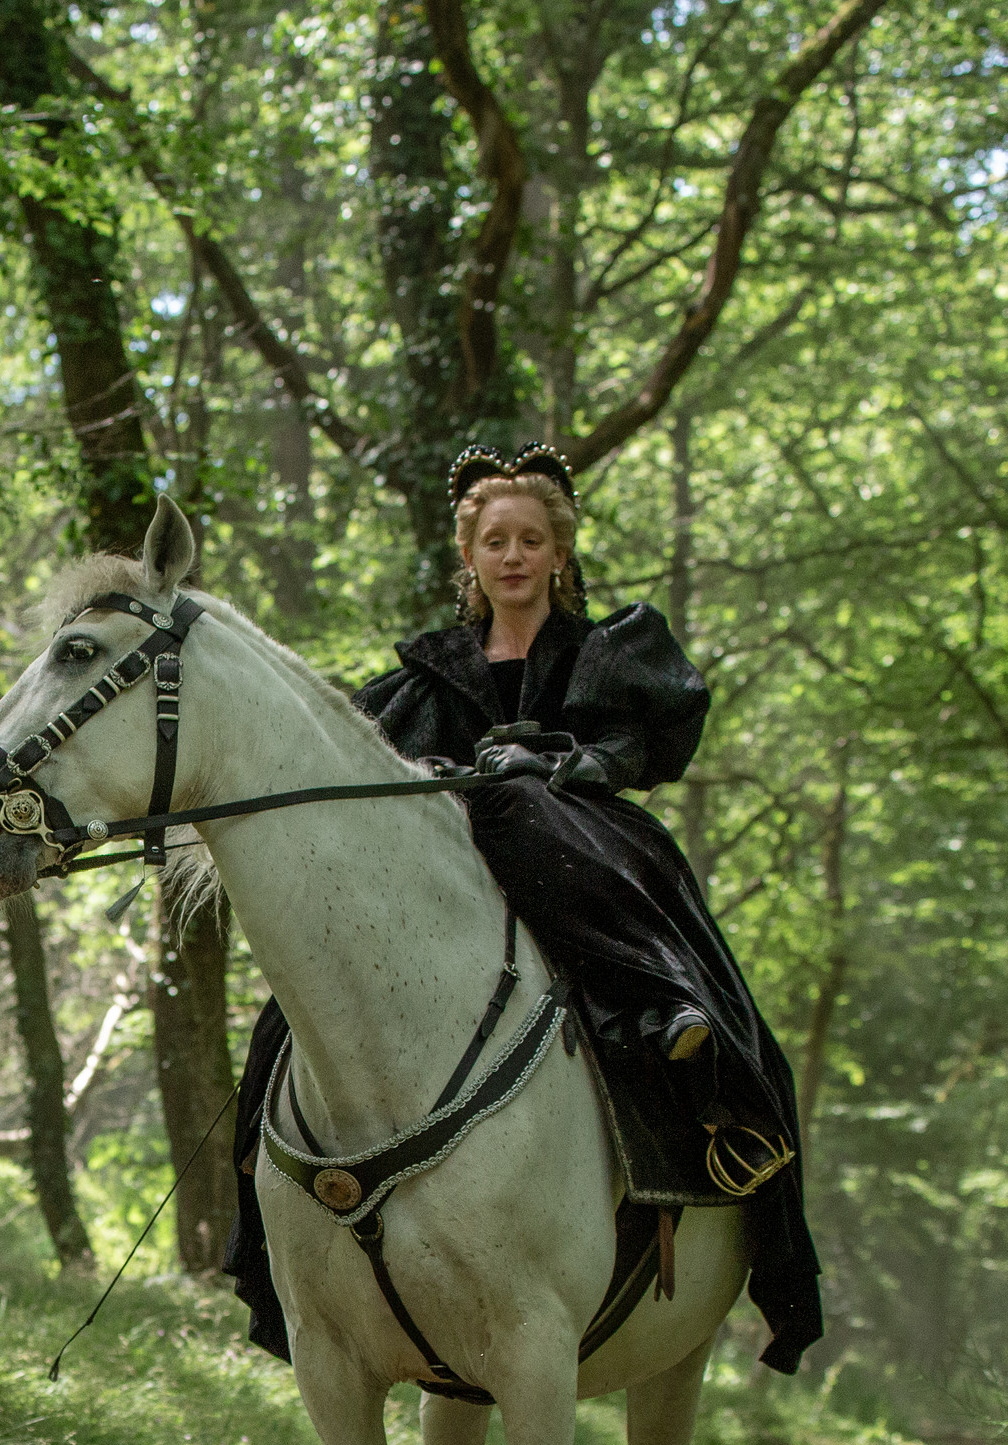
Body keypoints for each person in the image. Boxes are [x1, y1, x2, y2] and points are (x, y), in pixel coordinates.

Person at [224, 440, 825, 1377]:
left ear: (559, 553)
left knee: (548, 829)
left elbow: (646, 741)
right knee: (281, 1031)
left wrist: (579, 765)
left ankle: (678, 1038)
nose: (513, 556)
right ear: (471, 557)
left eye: (532, 540)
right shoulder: (418, 683)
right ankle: (270, 1252)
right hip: (448, 890)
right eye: (496, 540)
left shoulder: (607, 652)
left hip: (586, 856)